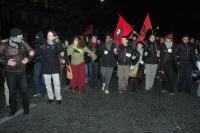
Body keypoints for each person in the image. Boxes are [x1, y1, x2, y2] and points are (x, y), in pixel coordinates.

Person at [0, 28, 34, 116]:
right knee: (12, 92)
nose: (22, 36)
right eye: (20, 35)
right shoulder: (5, 45)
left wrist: (28, 59)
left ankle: (26, 109)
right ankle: (13, 110)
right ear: (15, 36)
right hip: (10, 72)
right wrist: (6, 62)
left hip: (22, 71)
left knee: (24, 91)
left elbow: (32, 51)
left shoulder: (23, 43)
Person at [34, 30, 68, 104]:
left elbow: (63, 51)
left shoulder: (57, 45)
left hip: (55, 67)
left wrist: (63, 59)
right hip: (46, 68)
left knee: (57, 84)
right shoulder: (43, 46)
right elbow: (35, 53)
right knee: (48, 85)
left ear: (54, 37)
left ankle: (58, 98)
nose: (48, 36)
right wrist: (30, 54)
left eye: (50, 35)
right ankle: (51, 97)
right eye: (48, 35)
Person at [33, 31, 45, 97]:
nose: (35, 37)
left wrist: (34, 53)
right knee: (36, 77)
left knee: (44, 77)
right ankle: (38, 91)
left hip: (43, 62)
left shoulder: (44, 42)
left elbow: (40, 52)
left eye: (36, 36)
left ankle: (45, 92)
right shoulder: (37, 42)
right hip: (38, 62)